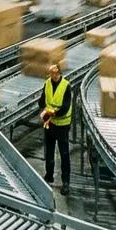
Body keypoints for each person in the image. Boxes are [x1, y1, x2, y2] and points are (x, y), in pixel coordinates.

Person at [42, 63, 72, 193]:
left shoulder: (66, 86)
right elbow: (41, 101)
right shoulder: (47, 83)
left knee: (64, 154)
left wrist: (51, 113)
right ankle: (49, 176)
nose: (53, 75)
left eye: (56, 73)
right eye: (51, 73)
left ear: (60, 73)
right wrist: (45, 111)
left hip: (62, 126)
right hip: (50, 124)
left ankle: (66, 182)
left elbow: (65, 108)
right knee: (49, 151)